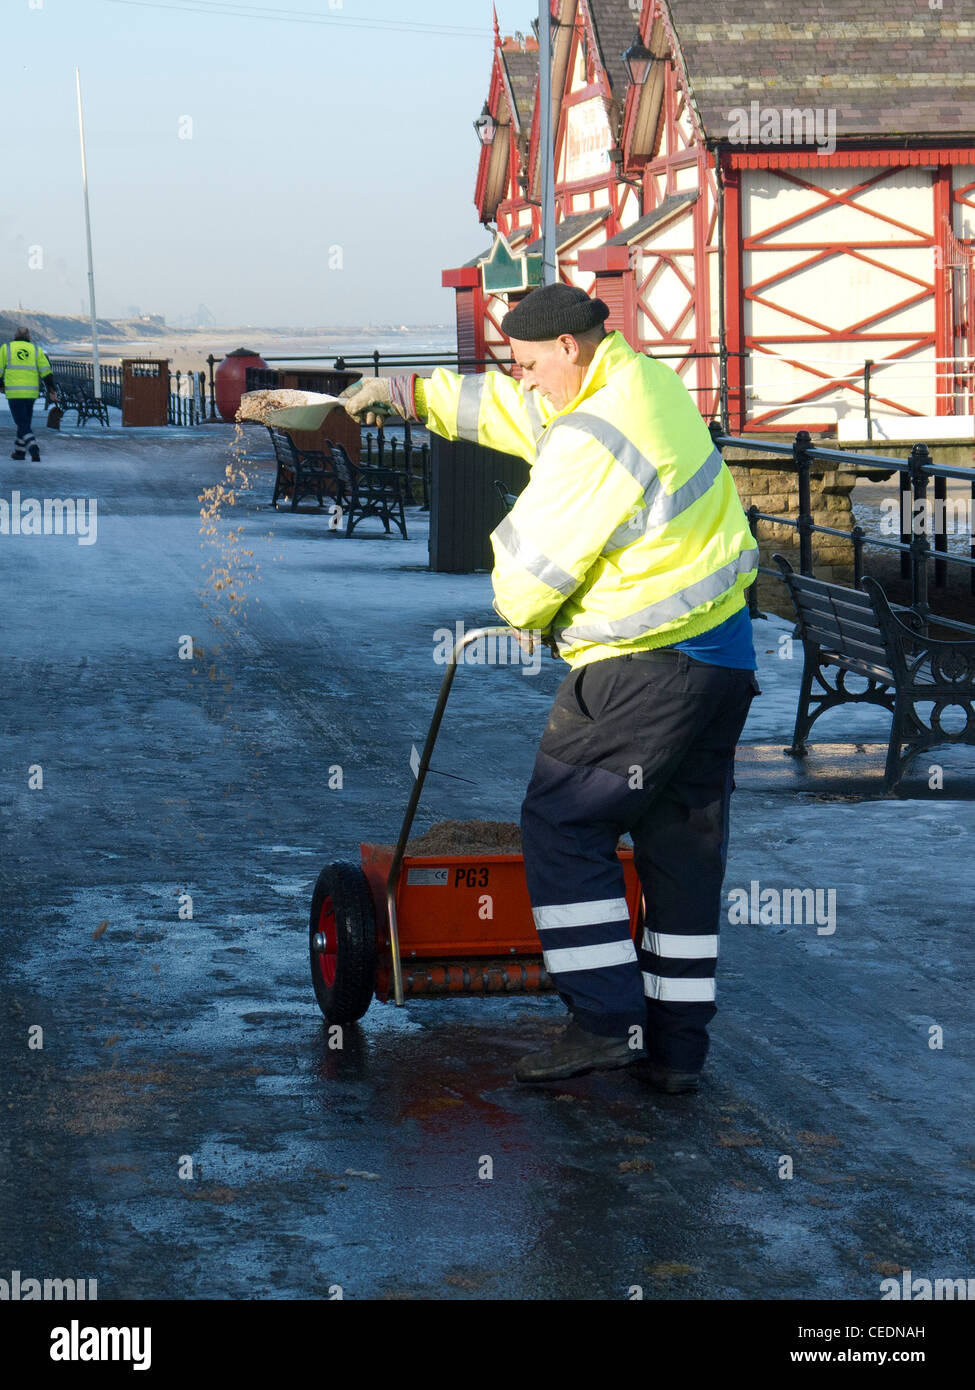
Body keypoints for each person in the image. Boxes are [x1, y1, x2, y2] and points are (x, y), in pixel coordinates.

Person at [343, 283, 761, 1093]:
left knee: (563, 827)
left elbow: (527, 587)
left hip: (640, 671)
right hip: (722, 663)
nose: (525, 377)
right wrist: (408, 394)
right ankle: (677, 1051)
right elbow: (522, 411)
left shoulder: (593, 439)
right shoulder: (644, 383)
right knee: (681, 855)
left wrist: (518, 595)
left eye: (531, 362)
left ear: (568, 348)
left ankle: (605, 1021)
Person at [1, 327, 58, 461]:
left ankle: (34, 449)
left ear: (15, 335)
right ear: (29, 337)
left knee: (22, 423)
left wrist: (1, 386)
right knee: (24, 422)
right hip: (31, 393)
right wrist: (52, 390)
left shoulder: (6, 348)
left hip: (14, 393)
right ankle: (20, 452)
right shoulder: (36, 350)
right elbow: (46, 372)